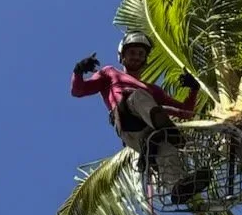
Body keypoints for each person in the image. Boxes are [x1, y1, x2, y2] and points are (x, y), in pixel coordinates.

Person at [71, 32, 204, 199]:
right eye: (132, 52)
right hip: (127, 120)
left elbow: (186, 112)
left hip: (147, 133)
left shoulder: (154, 90)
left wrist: (193, 89)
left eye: (141, 54)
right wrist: (78, 71)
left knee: (165, 148)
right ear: (122, 56)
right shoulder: (109, 73)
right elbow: (78, 91)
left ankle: (178, 187)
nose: (136, 57)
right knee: (138, 96)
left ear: (145, 60)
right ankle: (163, 124)